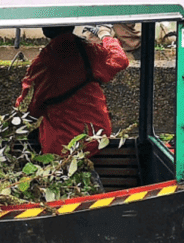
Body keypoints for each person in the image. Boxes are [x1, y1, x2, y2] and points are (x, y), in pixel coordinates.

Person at [16, 25, 129, 157]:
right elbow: (120, 59)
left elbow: (27, 108)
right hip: (97, 136)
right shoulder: (89, 51)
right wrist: (106, 36)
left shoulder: (43, 63)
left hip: (62, 143)